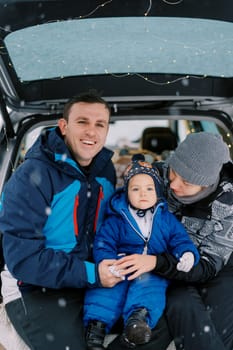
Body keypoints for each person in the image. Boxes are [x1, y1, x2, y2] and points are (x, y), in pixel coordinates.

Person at [0, 91, 123, 350]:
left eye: (99, 124)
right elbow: (24, 259)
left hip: (90, 280)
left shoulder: (105, 171)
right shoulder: (32, 177)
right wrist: (92, 273)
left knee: (154, 325)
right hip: (37, 286)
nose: (92, 131)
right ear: (64, 126)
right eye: (82, 122)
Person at [109, 132, 233, 350]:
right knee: (176, 299)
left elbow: (206, 268)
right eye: (174, 172)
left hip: (207, 266)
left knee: (193, 308)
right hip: (157, 264)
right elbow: (119, 215)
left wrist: (157, 262)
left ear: (206, 185)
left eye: (185, 181)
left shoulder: (228, 207)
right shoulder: (155, 177)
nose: (174, 184)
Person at [83, 155, 199, 349]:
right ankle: (96, 327)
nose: (142, 193)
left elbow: (180, 240)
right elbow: (104, 242)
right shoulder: (118, 218)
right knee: (105, 292)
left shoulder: (166, 219)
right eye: (135, 189)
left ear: (158, 192)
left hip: (150, 268)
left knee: (150, 291)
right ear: (126, 192)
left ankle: (138, 320)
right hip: (121, 265)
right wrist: (107, 261)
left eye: (149, 188)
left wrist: (187, 253)